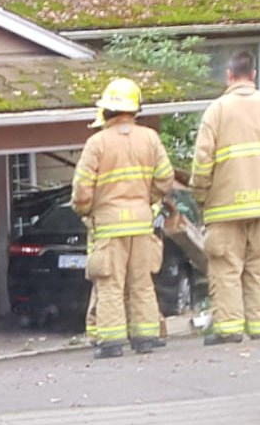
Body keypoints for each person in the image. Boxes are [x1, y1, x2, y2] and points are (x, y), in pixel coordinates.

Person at [191, 50, 260, 345]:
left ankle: (229, 329)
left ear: (229, 75)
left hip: (224, 207)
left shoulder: (217, 111)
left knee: (226, 269)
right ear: (253, 74)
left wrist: (201, 195)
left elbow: (202, 161)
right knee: (259, 265)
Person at [72, 78, 174, 359]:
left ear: (106, 110)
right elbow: (165, 178)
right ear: (135, 108)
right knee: (141, 282)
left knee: (110, 285)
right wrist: (147, 199)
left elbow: (81, 190)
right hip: (142, 224)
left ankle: (111, 343)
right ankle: (145, 338)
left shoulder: (97, 143)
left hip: (108, 226)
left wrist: (87, 210)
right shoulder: (150, 138)